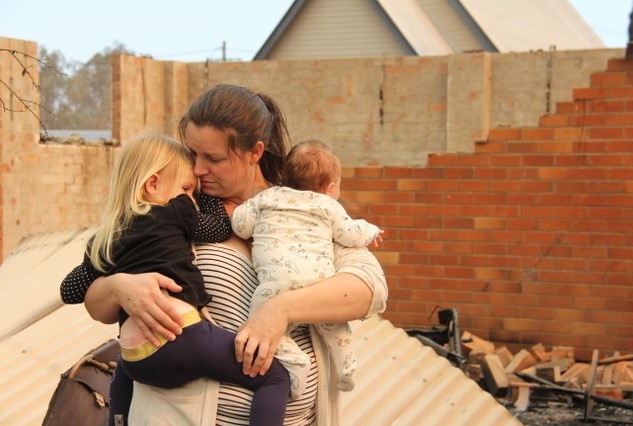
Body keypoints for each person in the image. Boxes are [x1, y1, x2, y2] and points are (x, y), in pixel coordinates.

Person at [60, 83, 388, 425]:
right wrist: (118, 287)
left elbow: (370, 288)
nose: (199, 169)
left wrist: (280, 308)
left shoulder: (299, 207)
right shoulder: (180, 208)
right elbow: (94, 297)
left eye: (213, 158)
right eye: (193, 154)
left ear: (254, 152)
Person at [60, 130, 290, 426]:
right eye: (187, 188)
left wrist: (111, 276)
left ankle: (116, 421)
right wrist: (208, 199)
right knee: (274, 376)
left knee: (121, 377)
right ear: (153, 184)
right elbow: (218, 228)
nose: (191, 198)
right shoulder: (175, 212)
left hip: (136, 357)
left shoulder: (103, 240)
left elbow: (70, 290)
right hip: (181, 339)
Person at [232, 138, 383, 397]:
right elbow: (349, 234)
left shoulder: (268, 197)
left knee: (264, 324)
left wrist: (239, 213)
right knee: (333, 324)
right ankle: (346, 365)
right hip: (320, 281)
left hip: (276, 283)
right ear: (330, 187)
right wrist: (370, 231)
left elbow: (241, 227)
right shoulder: (329, 205)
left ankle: (293, 358)